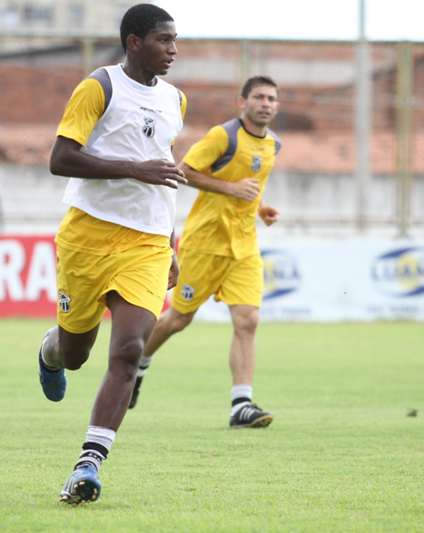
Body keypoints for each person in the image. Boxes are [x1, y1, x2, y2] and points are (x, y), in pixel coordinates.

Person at [37, 4, 186, 505]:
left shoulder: (175, 100)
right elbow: (60, 159)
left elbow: (164, 176)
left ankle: (88, 465)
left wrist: (169, 243)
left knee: (128, 350)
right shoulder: (98, 86)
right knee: (76, 355)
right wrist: (132, 169)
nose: (173, 50)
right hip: (88, 237)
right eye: (164, 40)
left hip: (145, 243)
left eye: (175, 40)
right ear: (135, 42)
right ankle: (50, 350)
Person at [130, 76, 282, 429]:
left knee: (249, 320)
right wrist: (231, 188)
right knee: (178, 320)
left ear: (277, 106)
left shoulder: (273, 145)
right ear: (242, 102)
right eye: (258, 97)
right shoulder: (223, 136)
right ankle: (138, 363)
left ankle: (240, 405)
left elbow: (251, 186)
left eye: (271, 98)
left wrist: (260, 208)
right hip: (205, 243)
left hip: (244, 247)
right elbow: (183, 172)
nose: (265, 103)